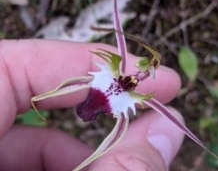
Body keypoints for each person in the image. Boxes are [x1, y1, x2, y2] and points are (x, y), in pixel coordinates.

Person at [0, 39, 184, 171]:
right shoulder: (118, 78)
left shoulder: (127, 89)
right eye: (144, 65)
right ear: (141, 64)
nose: (138, 75)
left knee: (104, 148)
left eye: (147, 68)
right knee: (48, 92)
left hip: (115, 92)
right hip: (111, 86)